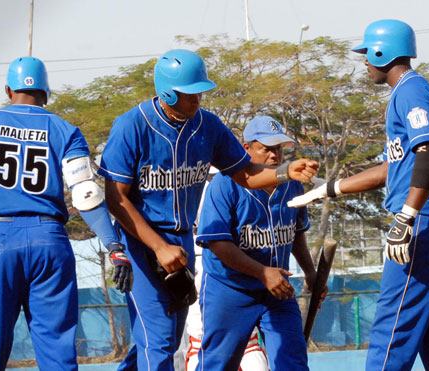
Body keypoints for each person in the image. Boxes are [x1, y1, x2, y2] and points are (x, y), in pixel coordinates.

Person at [97, 49, 319, 370]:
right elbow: (115, 199)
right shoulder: (132, 126)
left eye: (200, 91)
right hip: (144, 243)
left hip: (182, 242)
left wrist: (286, 172)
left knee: (165, 339)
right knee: (158, 341)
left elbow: (245, 174)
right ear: (168, 93)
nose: (198, 98)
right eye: (191, 93)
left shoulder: (207, 125)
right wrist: (158, 247)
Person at [288, 19, 429, 371]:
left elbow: (428, 152)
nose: (364, 62)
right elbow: (395, 168)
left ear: (381, 52)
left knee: (393, 328)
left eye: (366, 54)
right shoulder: (412, 90)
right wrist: (329, 188)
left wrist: (406, 216)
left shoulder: (409, 90)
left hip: (427, 218)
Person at [0, 56, 132, 371]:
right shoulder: (64, 130)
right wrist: (113, 246)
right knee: (58, 352)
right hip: (50, 241)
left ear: (8, 89)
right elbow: (85, 193)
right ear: (47, 92)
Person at [194, 116, 325, 370]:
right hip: (230, 289)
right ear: (246, 149)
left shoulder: (291, 184)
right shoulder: (225, 184)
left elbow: (296, 232)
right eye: (266, 148)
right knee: (218, 365)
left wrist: (310, 272)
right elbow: (217, 244)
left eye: (279, 148)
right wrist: (263, 273)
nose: (275, 155)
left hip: (277, 289)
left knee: (292, 362)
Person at [184, 165, 269, 371]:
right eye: (211, 177)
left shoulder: (244, 241)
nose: (214, 182)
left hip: (248, 344)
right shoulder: (182, 246)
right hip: (202, 345)